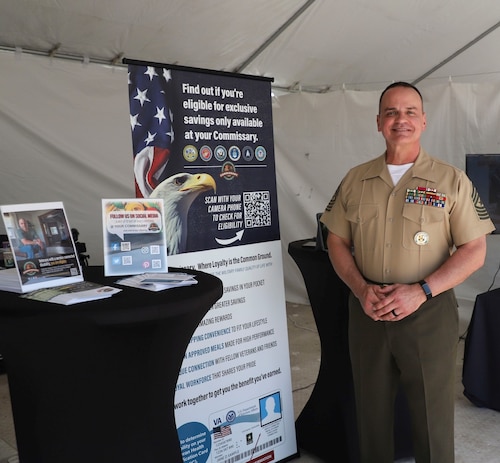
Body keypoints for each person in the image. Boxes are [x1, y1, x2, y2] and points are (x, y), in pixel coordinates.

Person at [320, 81, 495, 463]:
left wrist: (422, 291)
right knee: (371, 414)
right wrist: (360, 288)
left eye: (410, 111)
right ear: (379, 122)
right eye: (392, 112)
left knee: (432, 417)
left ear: (424, 121)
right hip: (368, 310)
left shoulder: (451, 181)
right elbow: (335, 241)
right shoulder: (355, 179)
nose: (401, 119)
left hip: (427, 312)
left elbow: (475, 250)